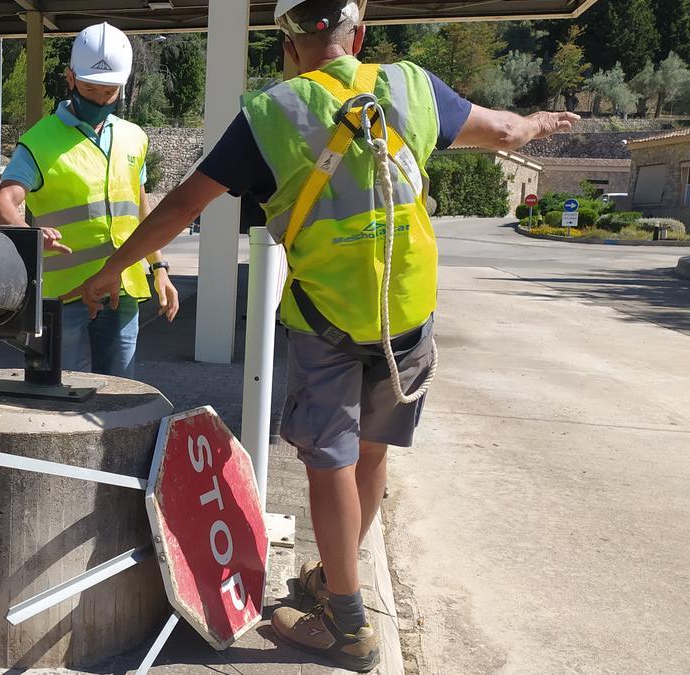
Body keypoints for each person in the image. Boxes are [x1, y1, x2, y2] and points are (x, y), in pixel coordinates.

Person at [62, 0, 579, 670]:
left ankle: (348, 622)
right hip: (409, 312)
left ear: (288, 43)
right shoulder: (411, 86)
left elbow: (186, 203)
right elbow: (506, 131)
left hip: (329, 317)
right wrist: (541, 121)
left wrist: (114, 267)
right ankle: (340, 582)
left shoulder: (272, 113)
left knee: (328, 459)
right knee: (371, 453)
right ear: (358, 34)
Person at [0, 21, 179, 378]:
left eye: (109, 92)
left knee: (119, 399)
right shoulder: (39, 141)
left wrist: (159, 268)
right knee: (53, 395)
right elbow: (0, 204)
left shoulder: (134, 138)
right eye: (91, 89)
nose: (100, 100)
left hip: (123, 288)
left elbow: (139, 209)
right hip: (62, 299)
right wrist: (26, 231)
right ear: (70, 77)